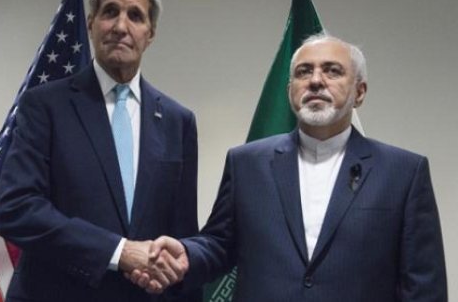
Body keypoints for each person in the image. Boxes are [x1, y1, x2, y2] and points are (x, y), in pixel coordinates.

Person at [133, 34, 448, 301]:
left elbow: (423, 286)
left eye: (332, 71)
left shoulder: (404, 173)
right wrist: (186, 255)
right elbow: (219, 244)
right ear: (290, 91)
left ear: (360, 93)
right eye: (303, 72)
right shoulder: (246, 163)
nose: (315, 80)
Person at [0, 0, 200, 302]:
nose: (121, 26)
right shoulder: (44, 106)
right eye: (110, 12)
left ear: (151, 33)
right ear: (91, 24)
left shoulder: (179, 121)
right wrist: (118, 251)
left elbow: (183, 235)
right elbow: (16, 209)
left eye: (135, 15)